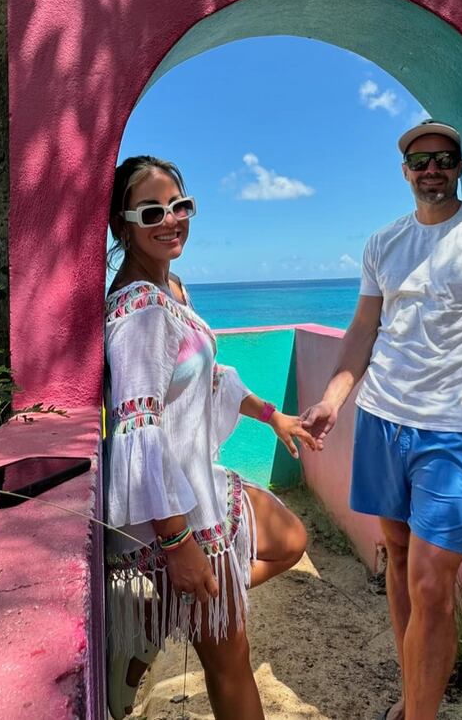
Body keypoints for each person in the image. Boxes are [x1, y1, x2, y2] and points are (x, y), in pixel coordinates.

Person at [301, 120, 462, 720]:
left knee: (434, 585)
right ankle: (418, 700)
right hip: (383, 419)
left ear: (459, 166)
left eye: (443, 158)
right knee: (400, 558)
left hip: (457, 434)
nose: (431, 168)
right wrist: (335, 397)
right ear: (405, 172)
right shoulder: (384, 243)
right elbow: (363, 330)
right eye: (419, 161)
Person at [104, 155, 315, 720]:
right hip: (175, 511)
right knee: (231, 661)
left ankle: (154, 622)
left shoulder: (172, 287)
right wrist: (178, 546)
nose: (171, 219)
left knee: (291, 539)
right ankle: (172, 610)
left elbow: (212, 378)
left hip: (199, 487)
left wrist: (273, 415)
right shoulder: (139, 311)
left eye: (180, 206)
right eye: (153, 211)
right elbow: (138, 426)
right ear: (123, 224)